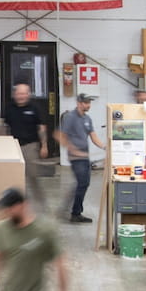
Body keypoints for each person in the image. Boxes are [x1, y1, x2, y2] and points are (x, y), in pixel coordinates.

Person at [56, 93, 107, 223]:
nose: (88, 105)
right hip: (75, 157)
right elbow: (60, 135)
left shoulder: (87, 119)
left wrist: (105, 147)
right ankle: (75, 213)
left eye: (89, 102)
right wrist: (73, 150)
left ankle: (71, 210)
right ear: (79, 103)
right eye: (85, 102)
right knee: (82, 183)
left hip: (85, 155)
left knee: (83, 184)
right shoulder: (70, 117)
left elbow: (93, 136)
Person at [1, 83, 50, 204]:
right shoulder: (9, 108)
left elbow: (41, 127)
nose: (21, 96)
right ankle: (19, 204)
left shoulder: (34, 108)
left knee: (33, 177)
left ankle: (41, 205)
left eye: (23, 93)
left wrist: (44, 146)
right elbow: (3, 127)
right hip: (13, 148)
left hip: (30, 147)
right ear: (14, 94)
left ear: (28, 94)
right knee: (15, 178)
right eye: (19, 93)